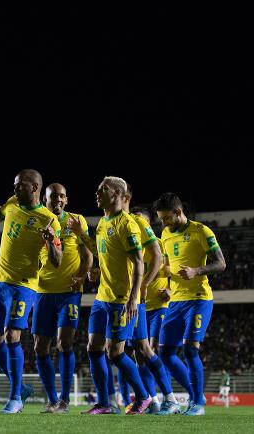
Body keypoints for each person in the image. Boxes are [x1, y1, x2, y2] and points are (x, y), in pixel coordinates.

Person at [0, 171, 63, 414]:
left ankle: (15, 397)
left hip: (24, 285)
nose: (14, 189)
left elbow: (57, 260)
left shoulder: (48, 219)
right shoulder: (13, 203)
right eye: (14, 185)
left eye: (19, 185)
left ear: (35, 187)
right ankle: (21, 387)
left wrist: (50, 241)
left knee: (13, 336)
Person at [68, 176, 152, 415]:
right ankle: (105, 403)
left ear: (116, 194)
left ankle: (144, 396)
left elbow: (138, 263)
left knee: (115, 353)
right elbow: (100, 250)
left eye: (102, 189)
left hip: (120, 299)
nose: (97, 193)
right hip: (102, 297)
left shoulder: (128, 224)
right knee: (93, 348)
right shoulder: (104, 221)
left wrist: (134, 297)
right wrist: (80, 235)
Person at [154, 192, 226, 416]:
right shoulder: (165, 234)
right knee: (165, 352)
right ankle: (196, 394)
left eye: (166, 218)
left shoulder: (201, 231)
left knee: (190, 349)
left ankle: (197, 404)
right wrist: (166, 284)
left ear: (178, 212)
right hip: (175, 301)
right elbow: (168, 265)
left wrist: (197, 270)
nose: (163, 223)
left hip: (198, 299)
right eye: (161, 219)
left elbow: (221, 263)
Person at [32, 183, 93, 414]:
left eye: (62, 196)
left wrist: (81, 278)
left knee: (65, 343)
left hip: (69, 292)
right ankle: (52, 400)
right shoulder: (39, 219)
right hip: (43, 292)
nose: (58, 199)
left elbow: (88, 255)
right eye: (53, 196)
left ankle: (65, 401)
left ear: (66, 200)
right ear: (45, 200)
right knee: (40, 347)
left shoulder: (76, 220)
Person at [119, 189, 180, 416]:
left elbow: (169, 268)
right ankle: (152, 399)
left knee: (146, 350)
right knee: (139, 353)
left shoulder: (153, 240)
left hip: (151, 303)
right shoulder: (126, 235)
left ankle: (168, 398)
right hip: (134, 301)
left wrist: (150, 286)